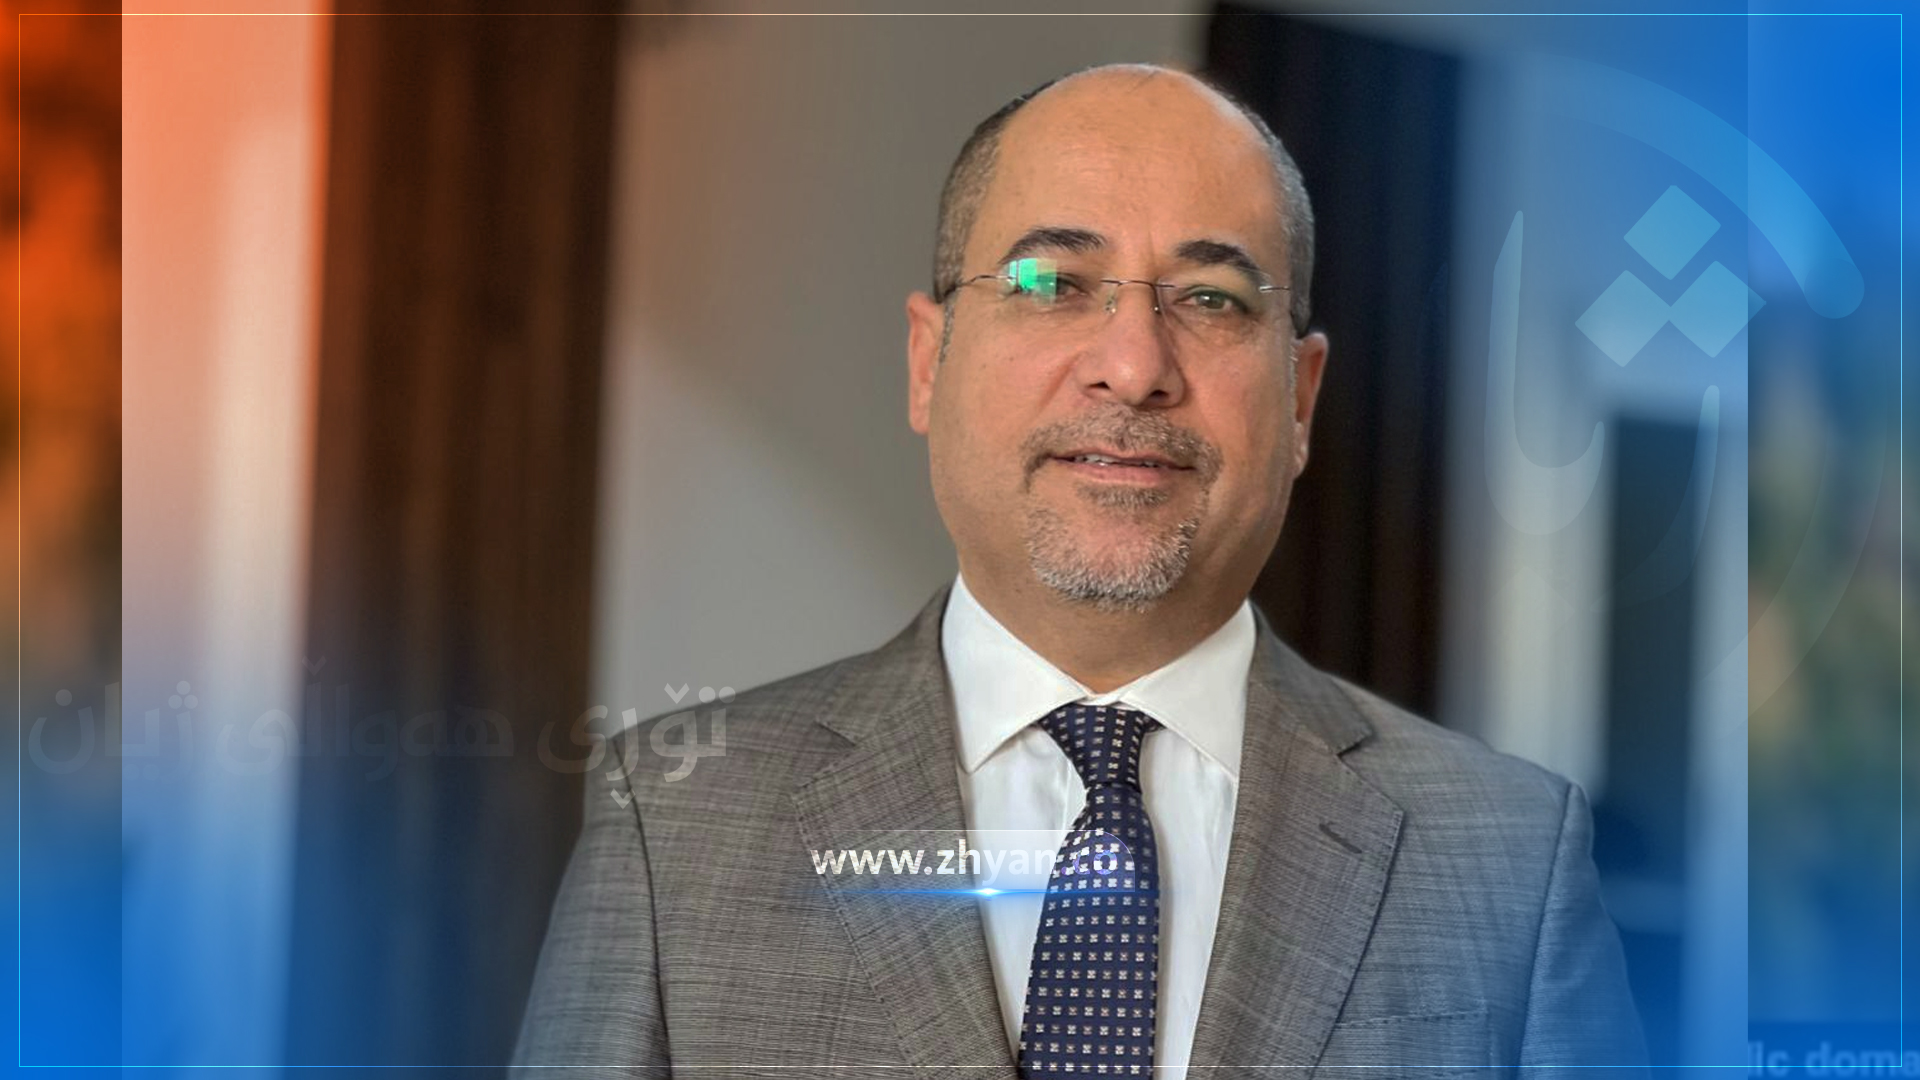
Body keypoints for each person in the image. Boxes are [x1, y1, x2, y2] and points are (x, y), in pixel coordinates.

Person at [512, 62, 1647, 1078]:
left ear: (1301, 400)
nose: (1134, 366)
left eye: (1212, 299)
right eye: (1054, 283)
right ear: (928, 361)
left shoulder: (1508, 857)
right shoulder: (678, 824)